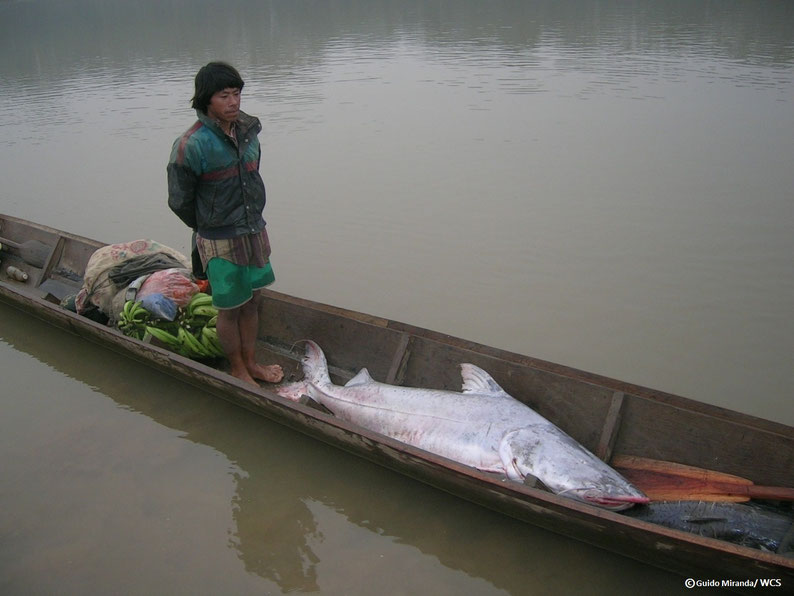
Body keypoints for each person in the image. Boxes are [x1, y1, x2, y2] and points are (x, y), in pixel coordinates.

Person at [167, 61, 283, 386]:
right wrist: (207, 226)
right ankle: (237, 369)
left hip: (253, 230)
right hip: (219, 237)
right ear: (207, 100)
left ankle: (252, 362)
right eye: (224, 96)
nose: (233, 102)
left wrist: (250, 218)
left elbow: (252, 179)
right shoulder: (190, 145)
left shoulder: (248, 133)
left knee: (253, 300)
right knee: (229, 307)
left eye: (236, 94)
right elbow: (179, 200)